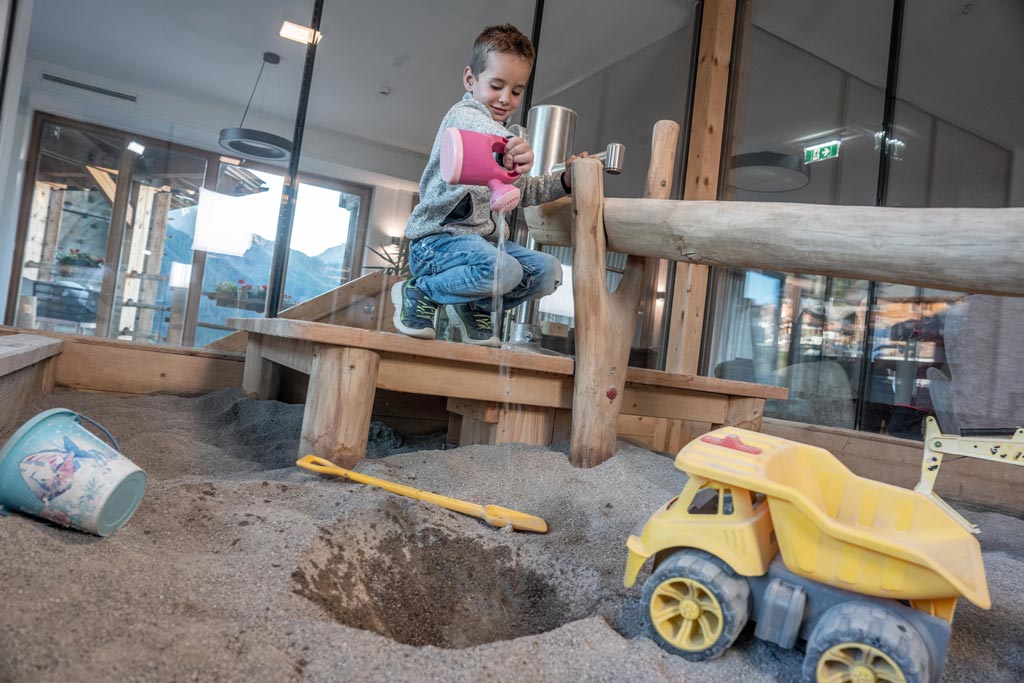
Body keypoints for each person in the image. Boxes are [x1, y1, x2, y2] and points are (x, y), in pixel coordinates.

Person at [392, 23, 582, 347]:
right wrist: (511, 142)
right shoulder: (463, 117)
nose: (506, 99)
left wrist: (564, 181)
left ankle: (473, 303)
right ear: (471, 80)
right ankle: (419, 289)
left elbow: (526, 190)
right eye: (496, 86)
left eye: (517, 91)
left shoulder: (503, 138)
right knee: (504, 270)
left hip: (483, 250)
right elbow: (478, 126)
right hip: (438, 245)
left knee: (548, 273)